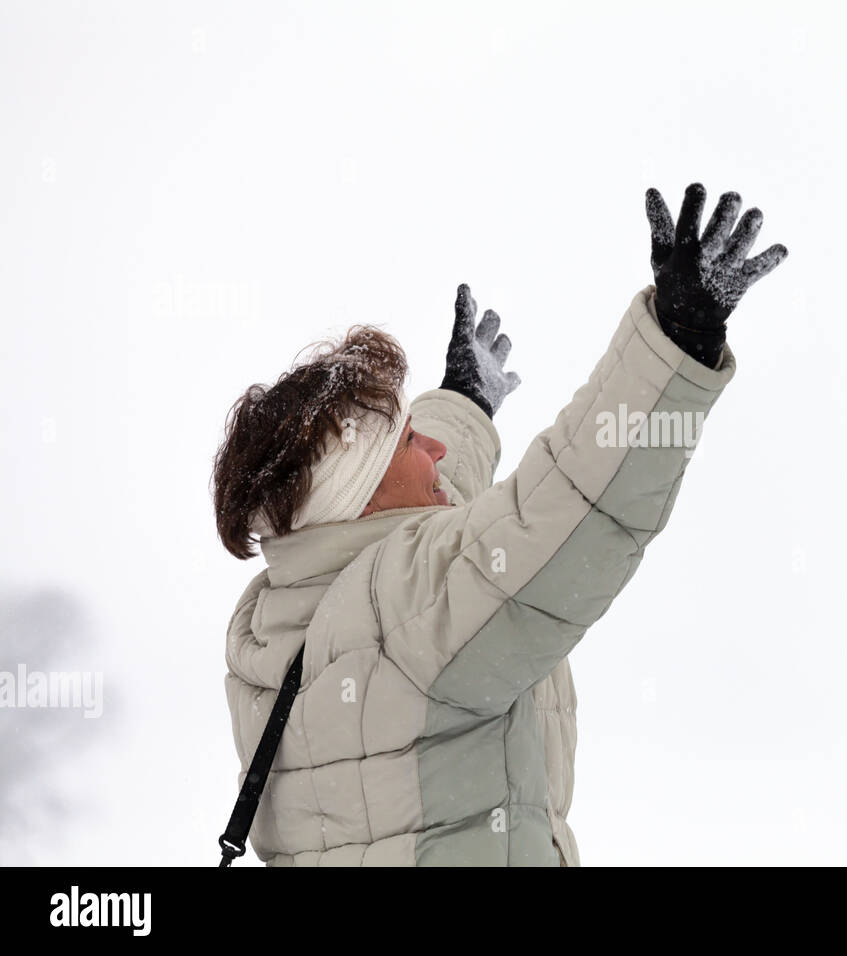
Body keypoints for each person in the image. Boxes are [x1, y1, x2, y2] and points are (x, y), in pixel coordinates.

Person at [211, 183, 788, 865]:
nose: (435, 448)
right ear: (357, 493)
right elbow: (565, 508)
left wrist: (464, 402)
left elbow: (432, 531)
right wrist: (673, 346)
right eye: (407, 442)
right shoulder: (406, 606)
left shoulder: (278, 621)